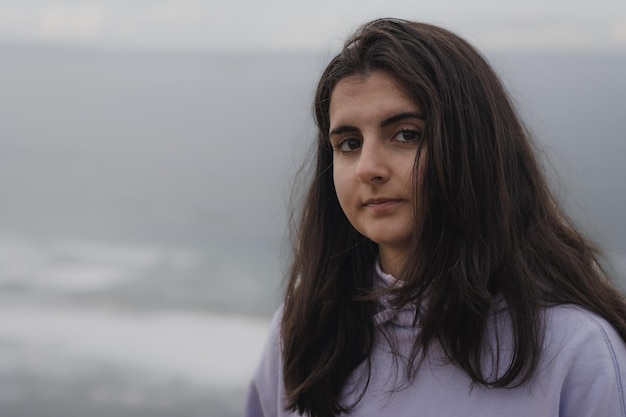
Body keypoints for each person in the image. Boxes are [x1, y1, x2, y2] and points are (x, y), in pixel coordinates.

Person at [246, 18, 626, 417]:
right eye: (349, 143)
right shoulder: (302, 331)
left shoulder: (579, 352)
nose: (368, 168)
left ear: (473, 146)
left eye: (406, 134)